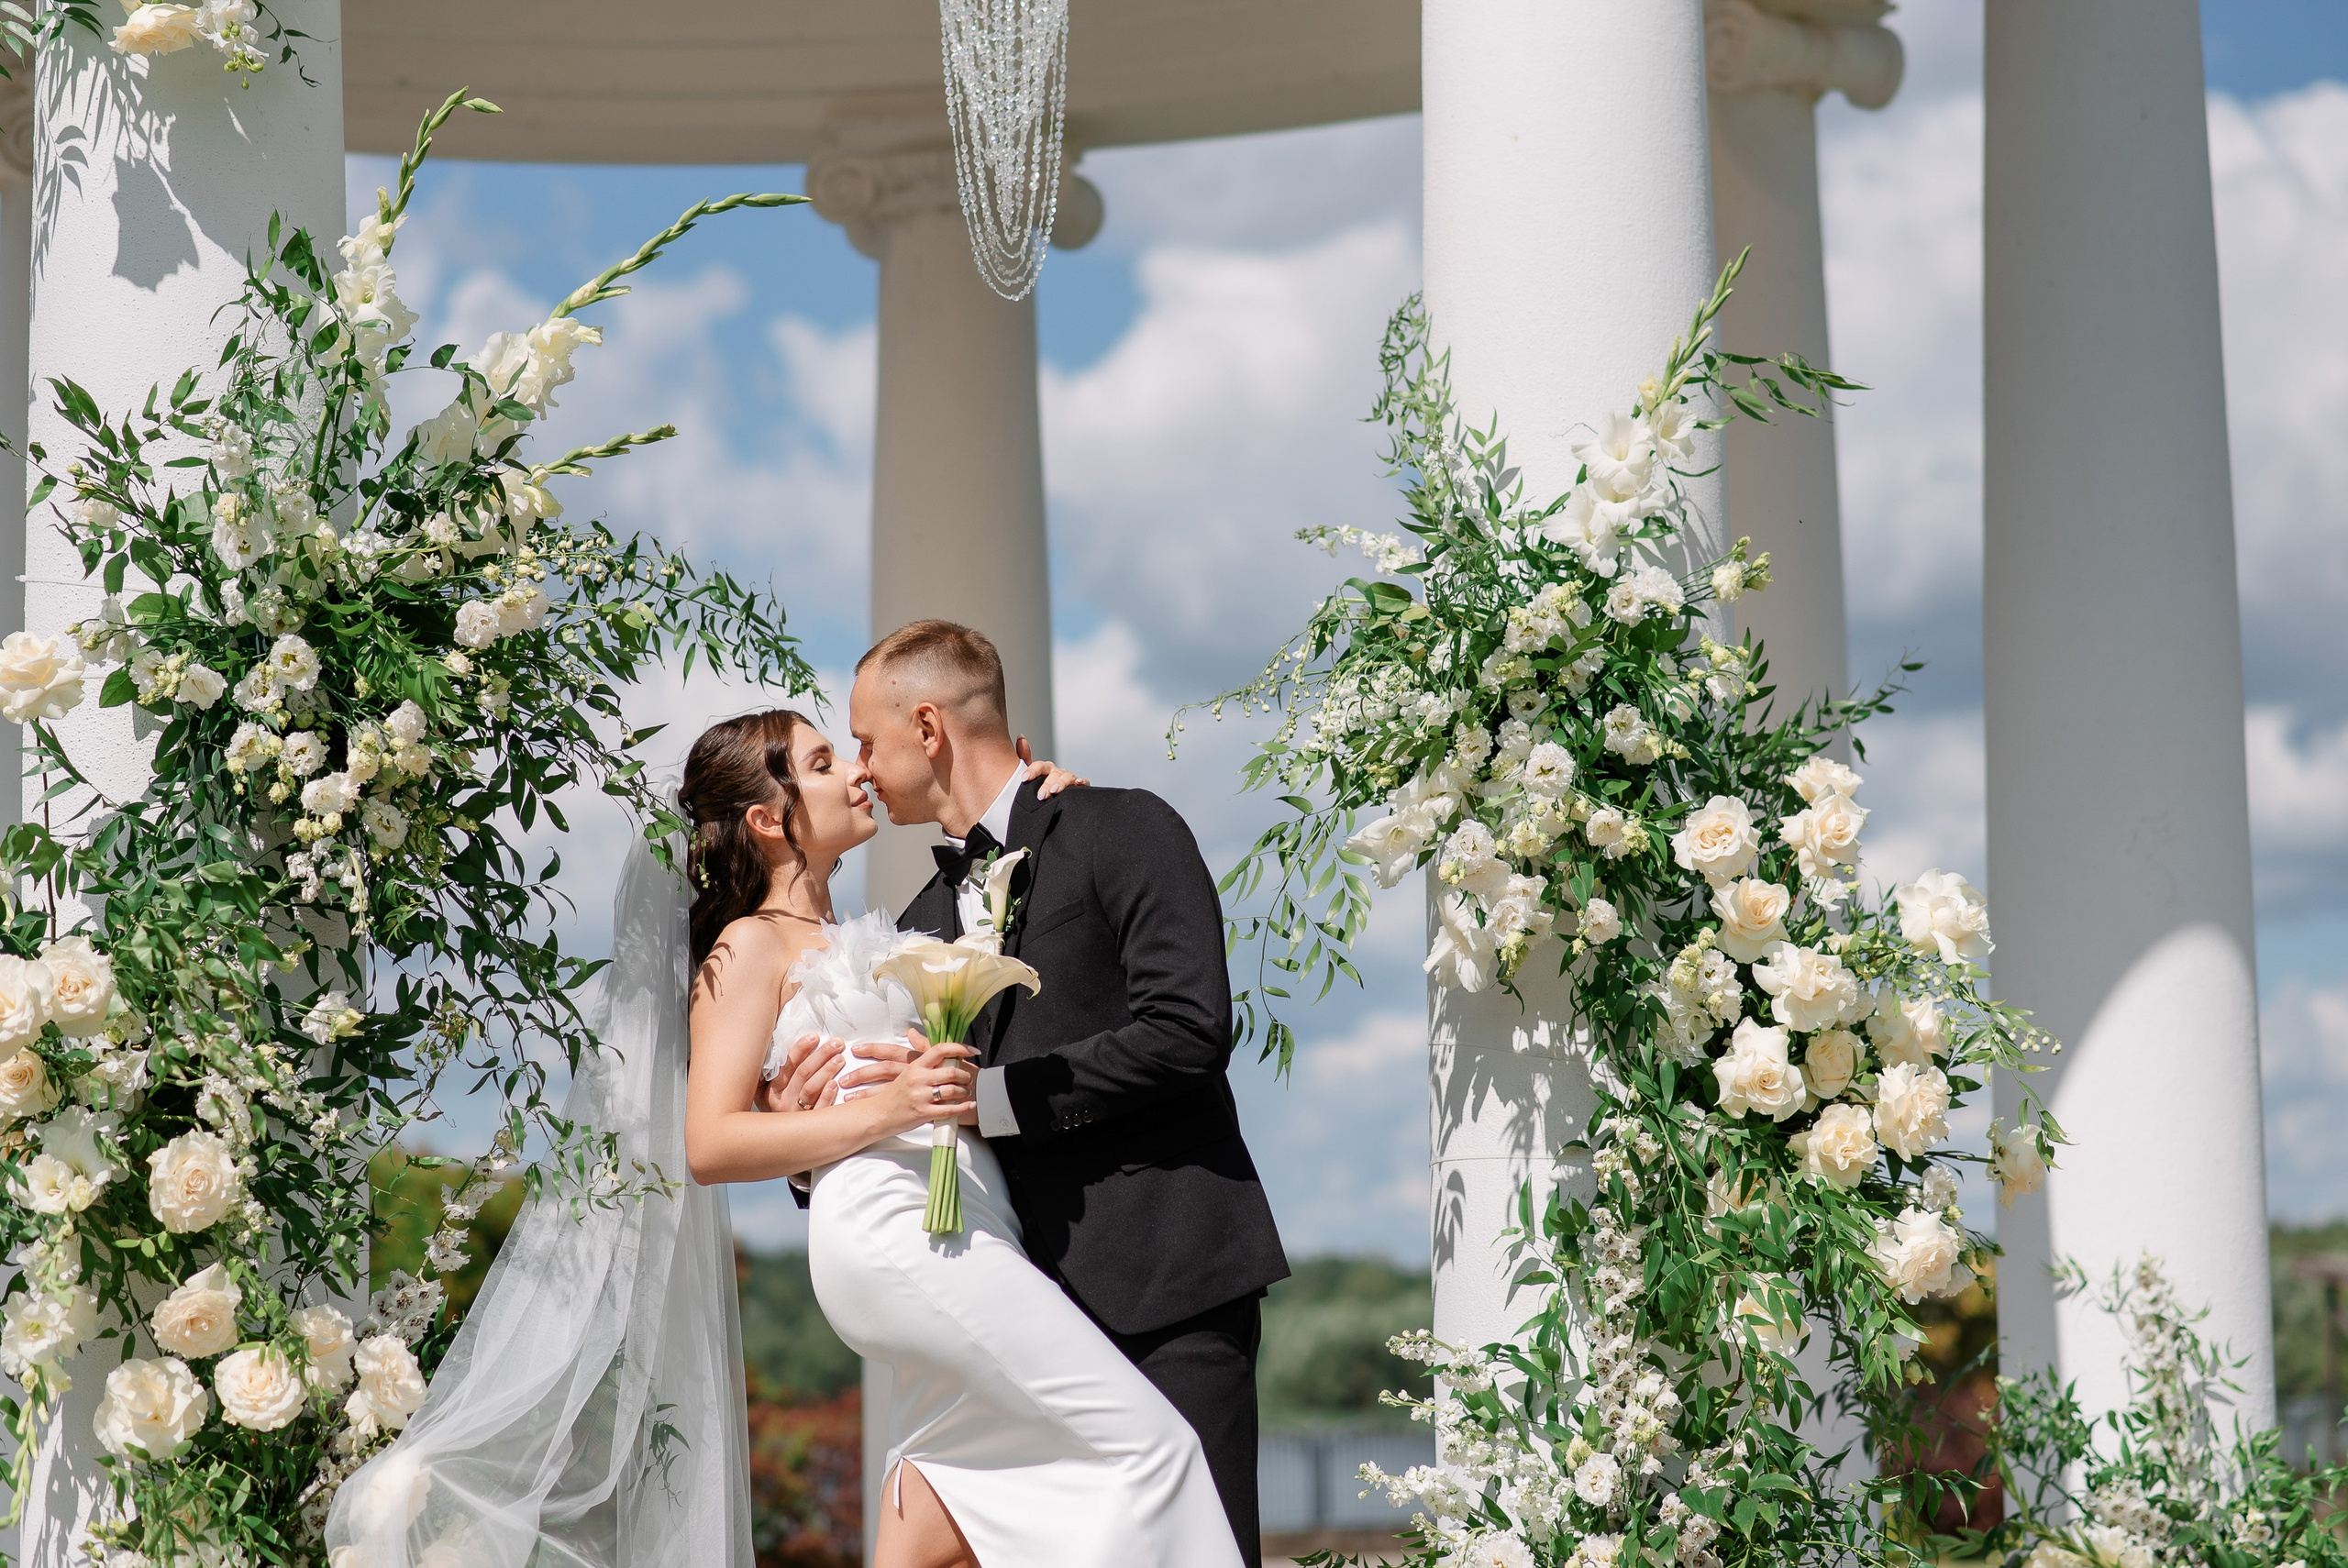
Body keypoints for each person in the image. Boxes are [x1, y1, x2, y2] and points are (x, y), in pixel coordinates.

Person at [680, 708, 1243, 1568]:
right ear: (766, 817)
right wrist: (889, 1110)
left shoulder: (895, 930)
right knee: (1153, 1450)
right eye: (827, 761)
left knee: (944, 1500)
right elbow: (710, 1145)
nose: (858, 773)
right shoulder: (746, 945)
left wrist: (1047, 810)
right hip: (898, 1229)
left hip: (978, 1222)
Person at [799, 619, 1291, 1568]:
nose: (859, 767)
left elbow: (1189, 1031)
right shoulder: (918, 923)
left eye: (866, 740)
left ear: (929, 727)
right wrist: (826, 1144)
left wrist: (988, 1101)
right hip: (1019, 1324)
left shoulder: (1122, 826)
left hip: (1167, 1290)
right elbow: (906, 1103)